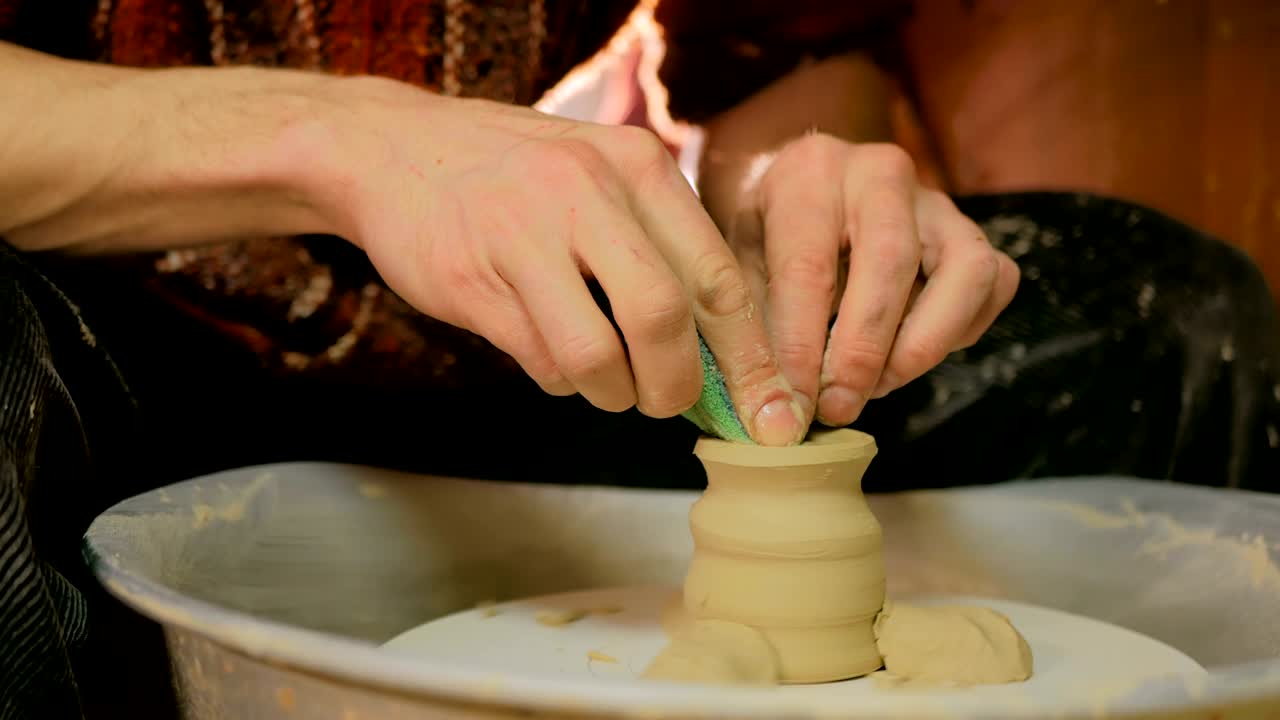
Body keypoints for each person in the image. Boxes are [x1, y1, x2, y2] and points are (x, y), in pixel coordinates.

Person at [0, 1, 1276, 718]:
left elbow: (771, 67)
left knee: (1157, 315)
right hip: (114, 361)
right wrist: (335, 140)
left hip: (547, 362)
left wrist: (789, 220)